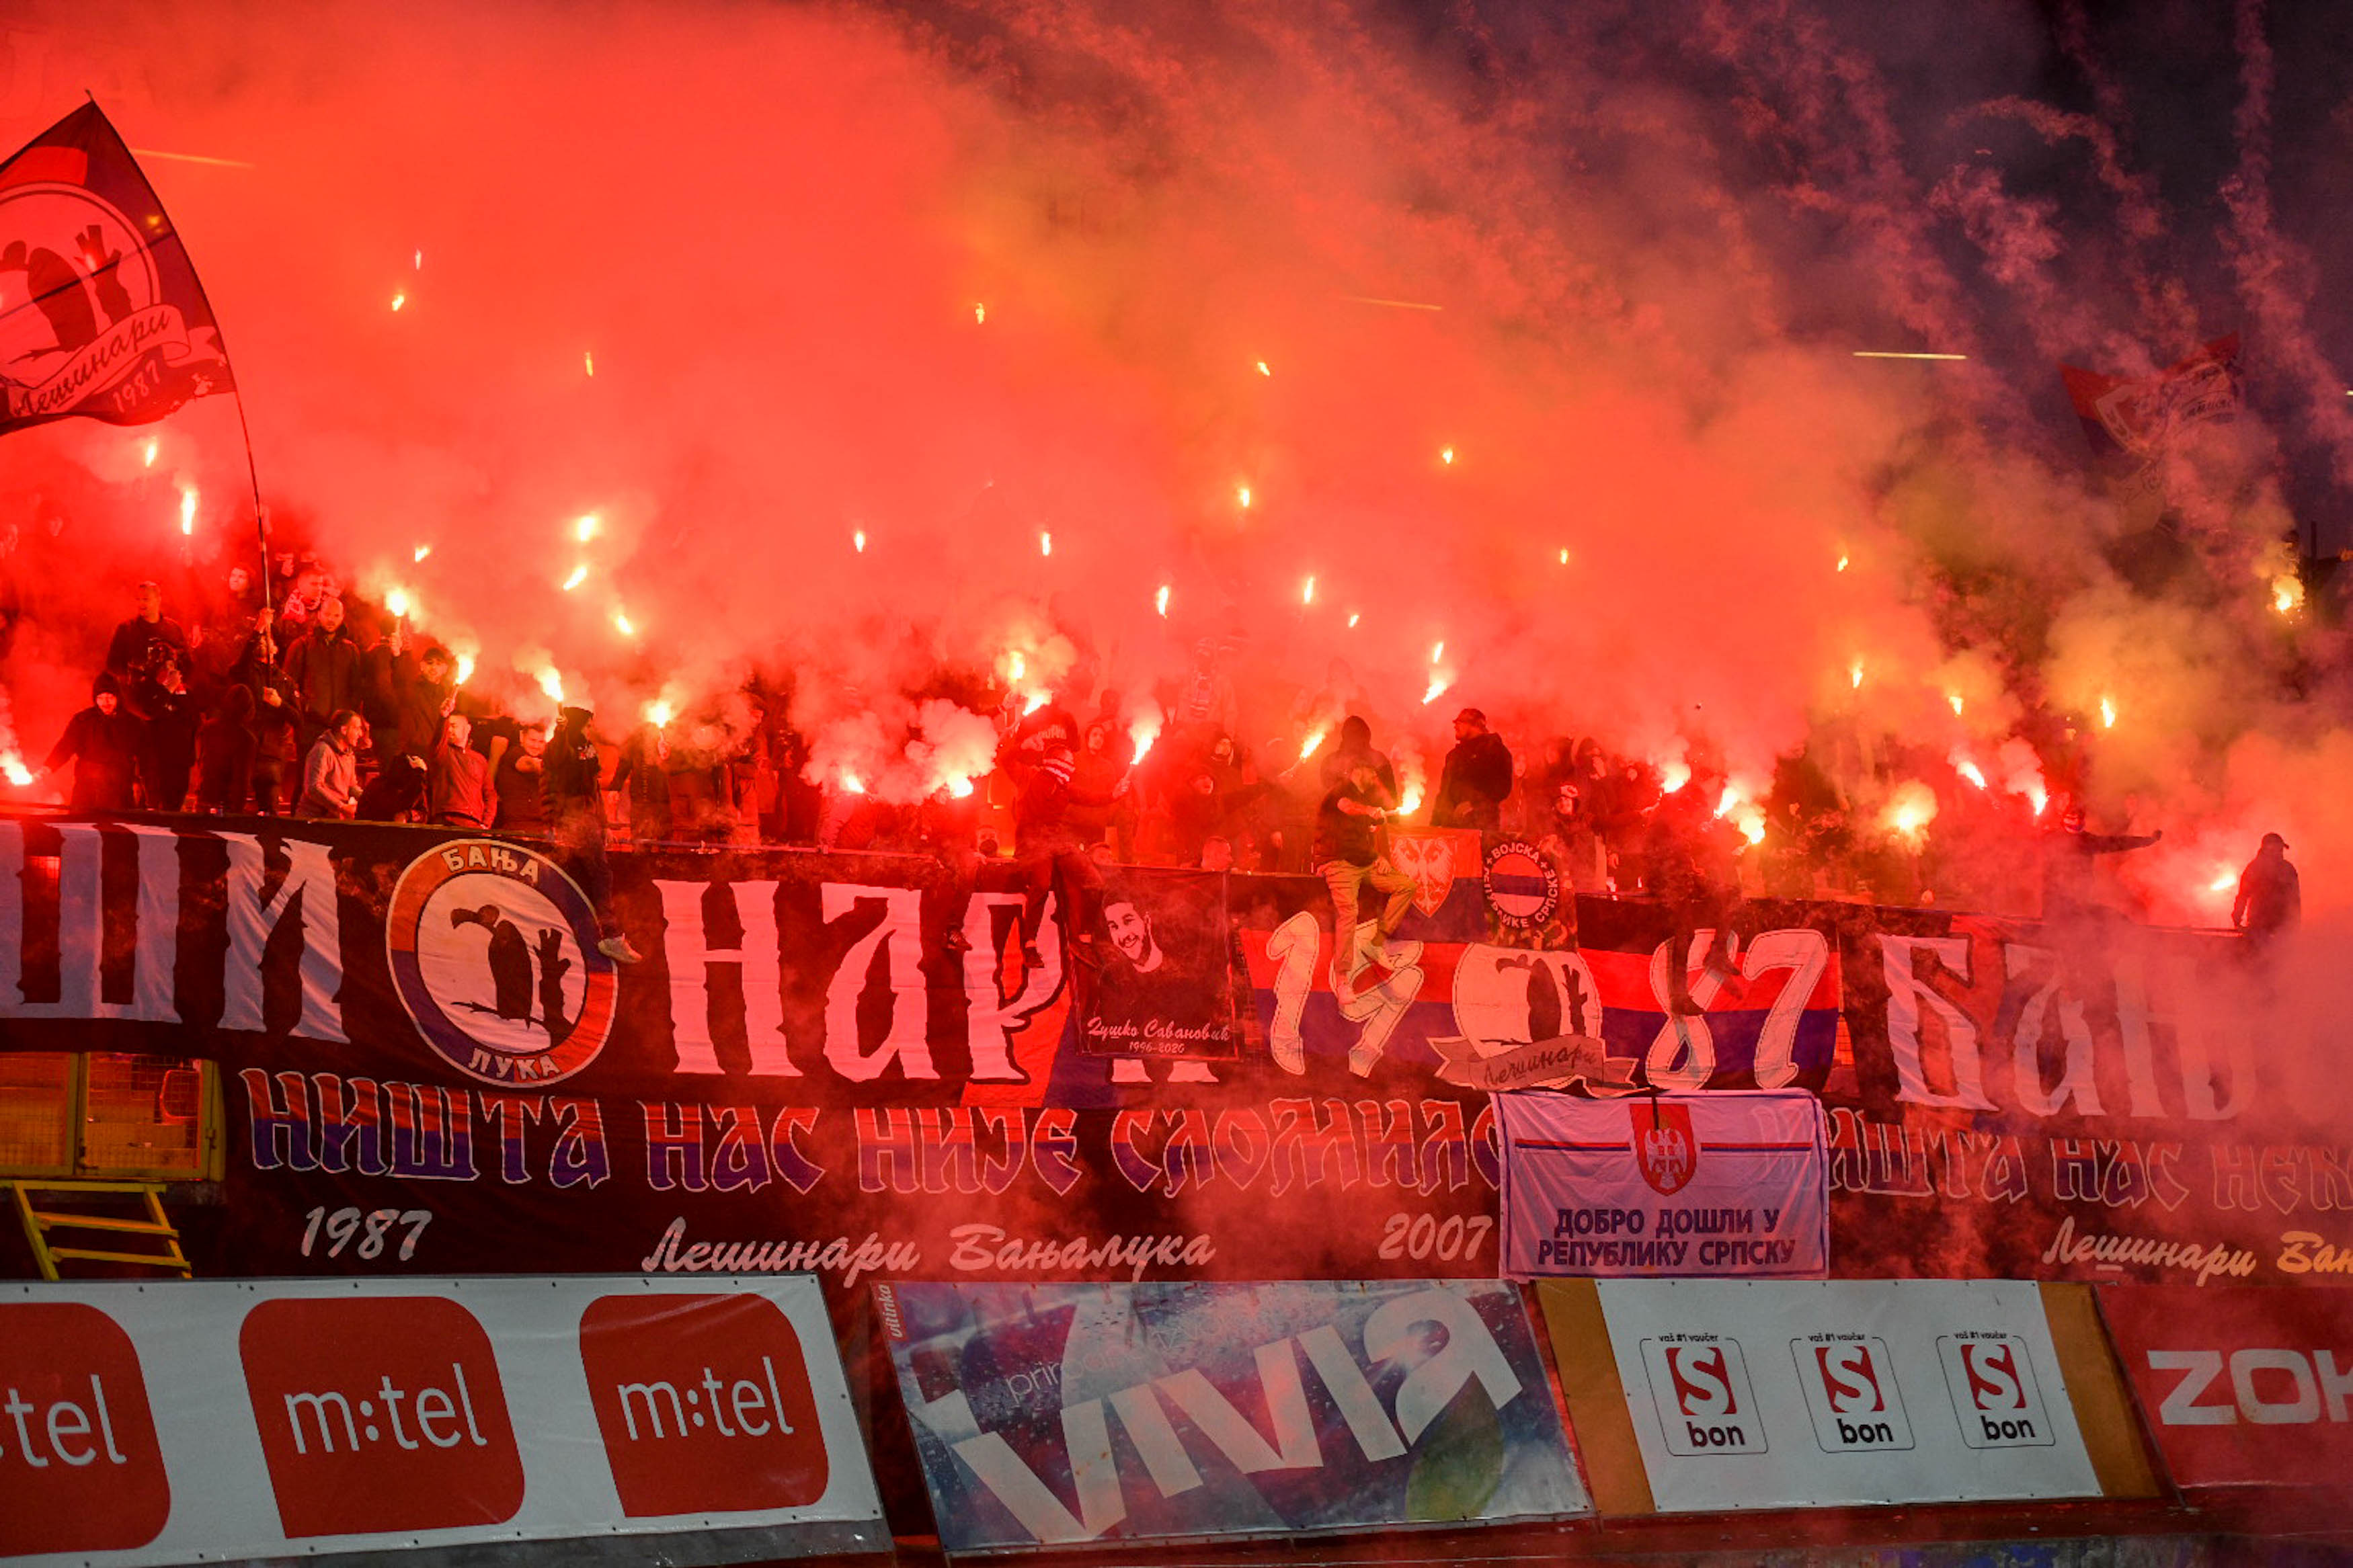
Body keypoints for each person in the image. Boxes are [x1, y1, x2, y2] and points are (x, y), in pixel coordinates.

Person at [1012, 735, 1122, 968]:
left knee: (1095, 883)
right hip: (1034, 844)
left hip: (1058, 842)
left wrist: (1114, 795)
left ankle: (1084, 938)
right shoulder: (1031, 777)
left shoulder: (1064, 787)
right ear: (1057, 761)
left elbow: (1089, 798)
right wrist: (1022, 745)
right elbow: (1005, 760)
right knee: (1041, 885)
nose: (1073, 766)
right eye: (1069, 761)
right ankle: (1029, 944)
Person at [547, 705, 641, 962]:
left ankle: (592, 937)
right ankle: (610, 936)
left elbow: (594, 793)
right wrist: (560, 732)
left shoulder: (587, 752)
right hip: (573, 820)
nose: (591, 731)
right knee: (599, 874)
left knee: (591, 876)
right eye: (587, 725)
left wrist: (604, 825)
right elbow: (557, 762)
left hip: (588, 821)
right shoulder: (561, 746)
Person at [1315, 755, 1413, 987]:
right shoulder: (1340, 792)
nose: (1375, 777)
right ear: (1359, 769)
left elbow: (1358, 838)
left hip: (1361, 863)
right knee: (1349, 913)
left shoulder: (1360, 797)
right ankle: (1342, 979)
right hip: (1339, 863)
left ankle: (1376, 943)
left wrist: (1375, 854)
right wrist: (1369, 811)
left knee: (1406, 886)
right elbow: (1346, 807)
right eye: (1373, 772)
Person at [2040, 801, 2161, 922]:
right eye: (2073, 817)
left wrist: (2147, 841)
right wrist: (2148, 841)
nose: (2076, 821)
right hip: (2061, 910)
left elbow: (2118, 842)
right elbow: (2118, 843)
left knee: (2116, 921)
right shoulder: (2076, 841)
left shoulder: (2083, 840)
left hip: (2072, 908)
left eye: (2079, 817)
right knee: (2116, 922)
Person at [37, 673, 139, 811]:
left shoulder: (133, 724)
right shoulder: (83, 721)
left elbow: (147, 760)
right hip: (86, 794)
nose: (105, 703)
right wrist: (47, 768)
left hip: (119, 794)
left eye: (110, 697)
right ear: (95, 699)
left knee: (116, 831)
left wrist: (152, 801)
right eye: (101, 698)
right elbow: (66, 746)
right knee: (81, 830)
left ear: (118, 697)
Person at [282, 596, 366, 763]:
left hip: (340, 729)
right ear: (319, 615)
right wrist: (304, 707)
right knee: (307, 777)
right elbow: (288, 684)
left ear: (342, 617)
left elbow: (356, 688)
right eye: (327, 614)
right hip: (310, 725)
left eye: (336, 616)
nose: (331, 620)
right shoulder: (302, 645)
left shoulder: (351, 651)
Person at [135, 657, 200, 811]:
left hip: (180, 762)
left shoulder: (186, 693)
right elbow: (150, 714)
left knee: (174, 807)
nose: (171, 672)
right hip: (156, 763)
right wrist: (168, 690)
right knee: (153, 810)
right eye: (165, 668)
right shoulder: (147, 691)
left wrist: (179, 693)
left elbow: (194, 721)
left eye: (173, 668)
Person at [1432, 706, 1512, 830]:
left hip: (1481, 827)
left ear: (1475, 725)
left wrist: (1473, 804)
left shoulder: (1494, 750)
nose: (1455, 726)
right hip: (1450, 828)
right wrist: (1435, 824)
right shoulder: (1453, 756)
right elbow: (1444, 793)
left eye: (1460, 722)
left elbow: (1502, 788)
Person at [104, 581, 188, 690]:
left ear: (158, 600)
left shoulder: (173, 629)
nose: (141, 604)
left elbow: (187, 663)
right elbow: (112, 666)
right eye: (138, 599)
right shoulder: (126, 629)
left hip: (171, 698)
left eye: (146, 599)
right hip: (139, 698)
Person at [195, 681, 257, 813]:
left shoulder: (208, 728)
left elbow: (200, 760)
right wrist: (237, 811)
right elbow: (241, 780)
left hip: (204, 797)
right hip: (225, 804)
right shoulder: (246, 738)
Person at [610, 718, 673, 843]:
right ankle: (641, 855)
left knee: (663, 835)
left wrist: (667, 756)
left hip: (660, 798)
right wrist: (615, 788)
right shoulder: (634, 742)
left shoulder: (665, 741)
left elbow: (678, 765)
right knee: (641, 837)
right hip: (641, 798)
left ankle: (663, 855)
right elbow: (624, 764)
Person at [428, 712, 495, 829]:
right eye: (446, 727)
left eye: (454, 726)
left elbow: (489, 794)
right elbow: (437, 740)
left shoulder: (479, 759)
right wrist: (443, 717)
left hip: (474, 823)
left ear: (468, 728)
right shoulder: (443, 752)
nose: (449, 730)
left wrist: (486, 823)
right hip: (446, 820)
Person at [2233, 832, 2300, 947]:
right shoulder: (2256, 868)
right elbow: (2243, 894)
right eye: (2276, 848)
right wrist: (2237, 918)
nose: (2279, 852)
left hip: (2278, 926)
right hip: (2260, 925)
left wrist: (2237, 919)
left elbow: (2294, 899)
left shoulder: (2287, 869)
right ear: (2267, 849)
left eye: (2280, 849)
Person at [298, 709, 366, 819]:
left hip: (332, 819)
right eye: (357, 728)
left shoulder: (350, 756)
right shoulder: (322, 751)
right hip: (314, 821)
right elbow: (313, 788)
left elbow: (351, 787)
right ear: (344, 730)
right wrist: (341, 807)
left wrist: (369, 799)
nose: (361, 734)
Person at [1318, 714, 1397, 797]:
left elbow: (1390, 795)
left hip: (1374, 808)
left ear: (1366, 736)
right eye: (1352, 735)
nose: (1356, 740)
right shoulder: (1331, 762)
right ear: (1346, 736)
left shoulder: (1378, 760)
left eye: (1359, 735)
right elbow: (1327, 793)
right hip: (1340, 808)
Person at [493, 720, 550, 831]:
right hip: (517, 827)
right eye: (532, 740)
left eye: (541, 742)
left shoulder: (547, 760)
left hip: (543, 829)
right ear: (522, 737)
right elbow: (528, 764)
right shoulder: (514, 753)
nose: (536, 746)